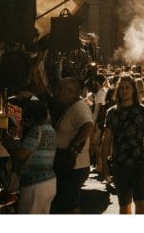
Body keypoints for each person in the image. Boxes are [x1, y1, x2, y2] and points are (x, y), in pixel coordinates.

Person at [99, 74, 144, 214]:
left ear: (133, 90)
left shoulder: (143, 110)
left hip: (139, 163)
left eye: (127, 87)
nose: (124, 91)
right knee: (124, 205)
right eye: (121, 88)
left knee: (141, 203)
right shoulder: (112, 112)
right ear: (118, 91)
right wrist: (104, 164)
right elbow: (106, 140)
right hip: (119, 164)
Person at [3, 97, 57, 214]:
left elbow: (20, 155)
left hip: (35, 184)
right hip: (50, 181)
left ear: (31, 117)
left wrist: (8, 144)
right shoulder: (51, 129)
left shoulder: (37, 130)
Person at [51, 77, 94, 213]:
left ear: (71, 92)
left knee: (69, 207)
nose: (58, 92)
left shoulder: (79, 107)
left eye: (61, 89)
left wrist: (72, 148)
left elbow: (88, 126)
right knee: (67, 205)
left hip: (74, 167)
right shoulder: (70, 107)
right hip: (69, 166)